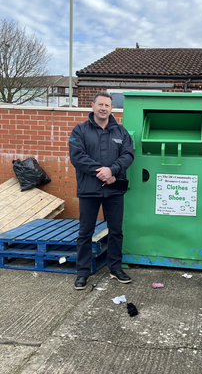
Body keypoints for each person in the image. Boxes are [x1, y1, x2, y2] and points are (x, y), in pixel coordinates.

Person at [69, 91, 134, 289]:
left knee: (116, 231)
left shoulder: (120, 132)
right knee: (85, 232)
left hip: (114, 191)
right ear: (93, 106)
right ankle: (82, 272)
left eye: (107, 105)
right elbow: (77, 157)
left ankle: (115, 267)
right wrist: (102, 172)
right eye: (100, 105)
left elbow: (129, 155)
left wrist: (113, 170)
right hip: (89, 190)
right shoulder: (79, 130)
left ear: (111, 108)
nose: (103, 108)